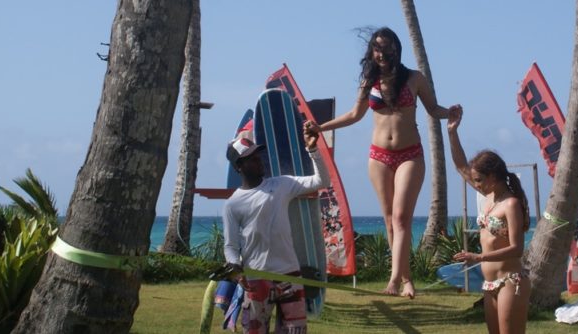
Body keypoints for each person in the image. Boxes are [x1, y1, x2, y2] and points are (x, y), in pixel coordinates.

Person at [303, 27, 461, 298]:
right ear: (371, 52)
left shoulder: (415, 79)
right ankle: (407, 280)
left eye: (387, 48)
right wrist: (320, 127)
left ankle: (393, 280)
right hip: (379, 156)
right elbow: (354, 115)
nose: (382, 53)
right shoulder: (369, 81)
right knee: (390, 221)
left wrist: (451, 113)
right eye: (377, 48)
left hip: (409, 154)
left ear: (396, 49)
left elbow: (433, 110)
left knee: (401, 217)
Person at [222, 126, 329, 334]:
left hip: (291, 277)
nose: (258, 160)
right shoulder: (232, 204)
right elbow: (230, 246)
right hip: (256, 280)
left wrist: (313, 150)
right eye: (251, 159)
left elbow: (321, 181)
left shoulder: (282, 185)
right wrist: (235, 269)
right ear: (239, 167)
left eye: (257, 155)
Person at [447, 110, 530, 334]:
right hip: (489, 284)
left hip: (511, 282)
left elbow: (517, 248)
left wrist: (478, 257)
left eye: (479, 180)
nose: (476, 185)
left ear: (493, 177)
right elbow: (461, 167)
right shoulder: (490, 196)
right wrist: (452, 133)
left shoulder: (511, 204)